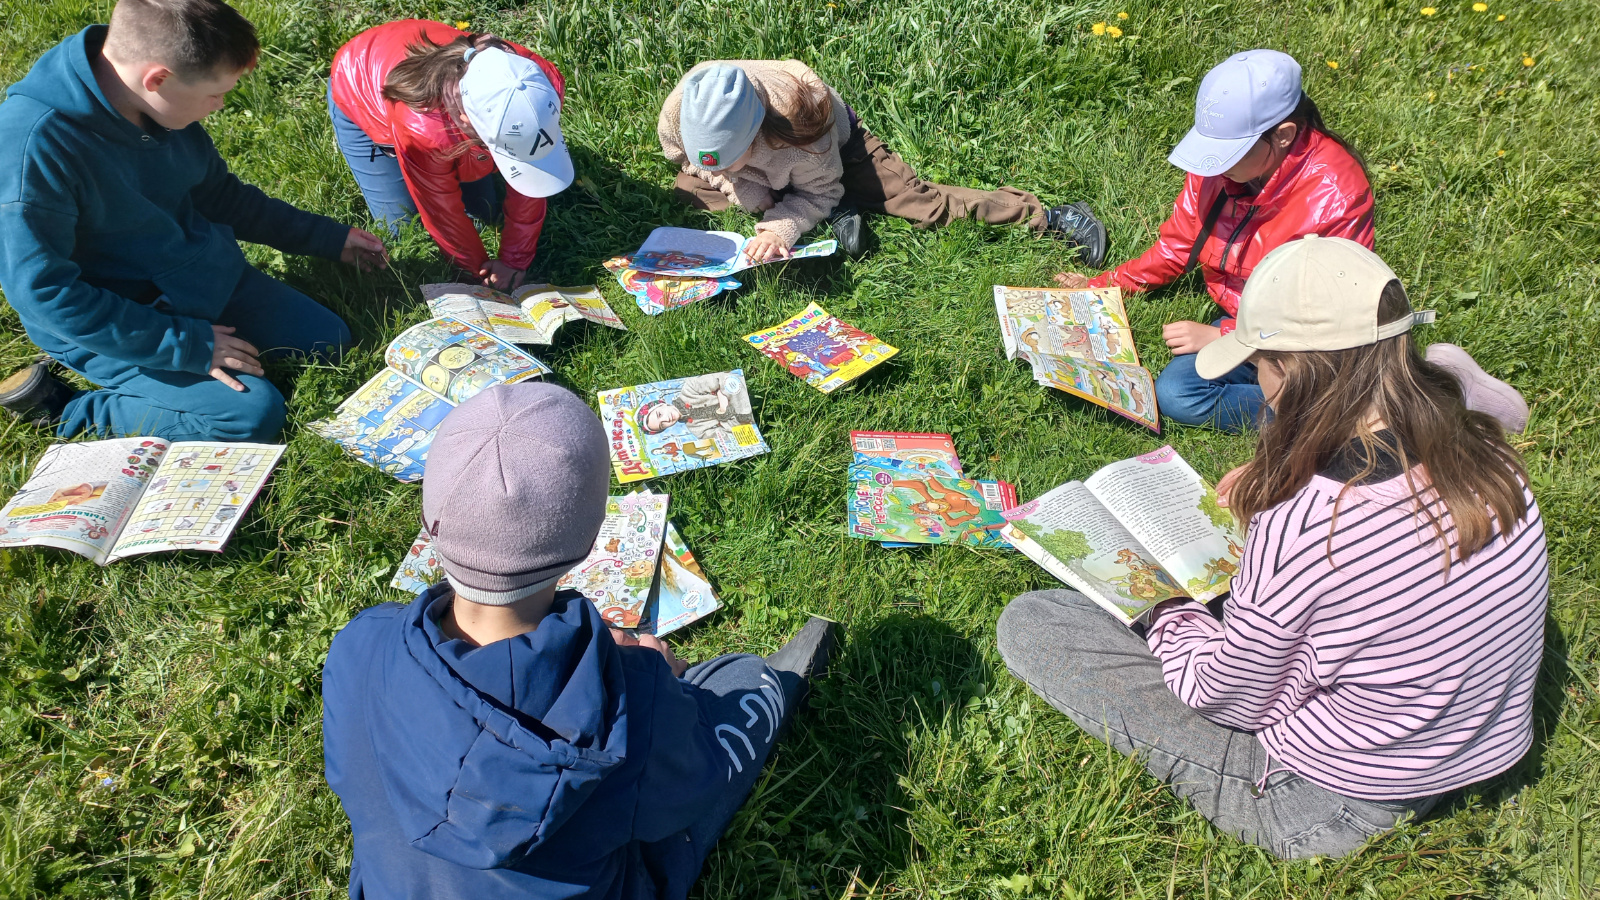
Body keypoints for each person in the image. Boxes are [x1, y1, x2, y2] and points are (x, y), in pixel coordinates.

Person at [1000, 235, 1549, 859]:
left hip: (1332, 800)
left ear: (1288, 370)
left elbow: (1226, 696)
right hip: (1477, 743)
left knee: (1035, 622)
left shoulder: (1311, 523)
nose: (1258, 383)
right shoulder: (1486, 449)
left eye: (1259, 363)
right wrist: (1281, 477)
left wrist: (1165, 610)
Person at [322, 381, 838, 900]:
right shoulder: (633, 704)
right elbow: (688, 789)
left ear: (431, 521)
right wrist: (663, 686)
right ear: (590, 539)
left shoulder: (360, 641)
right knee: (745, 678)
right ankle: (778, 682)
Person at [0, 0, 388, 439]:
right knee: (250, 417)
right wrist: (186, 345)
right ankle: (69, 408)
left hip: (199, 278)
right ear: (158, 79)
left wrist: (326, 237)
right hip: (117, 318)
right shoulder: (31, 151)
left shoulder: (156, 103)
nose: (220, 105)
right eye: (215, 93)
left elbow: (221, 197)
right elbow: (46, 294)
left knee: (328, 340)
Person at [658, 60, 1106, 263]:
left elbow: (820, 185)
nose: (722, 168)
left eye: (733, 159)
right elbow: (687, 161)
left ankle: (1047, 216)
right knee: (688, 189)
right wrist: (734, 181)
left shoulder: (801, 120)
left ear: (758, 131)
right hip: (785, 170)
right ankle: (837, 210)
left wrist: (781, 226)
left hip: (842, 155)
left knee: (921, 205)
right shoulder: (680, 109)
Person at [329, 21, 573, 291]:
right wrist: (477, 274)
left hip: (423, 82)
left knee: (483, 213)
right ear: (467, 119)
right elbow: (440, 212)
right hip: (359, 82)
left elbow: (533, 167)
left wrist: (514, 261)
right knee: (402, 226)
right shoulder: (424, 129)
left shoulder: (536, 81)